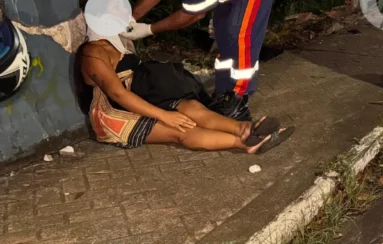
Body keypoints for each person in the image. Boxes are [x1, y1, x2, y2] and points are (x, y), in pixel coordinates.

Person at [121, 0, 282, 122]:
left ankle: (238, 100)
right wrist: (133, 17)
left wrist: (149, 29)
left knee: (239, 35)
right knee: (223, 36)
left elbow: (194, 14)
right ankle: (223, 94)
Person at [79, 30, 292, 153]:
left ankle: (246, 128)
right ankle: (246, 143)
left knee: (191, 106)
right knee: (179, 130)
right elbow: (118, 94)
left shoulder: (117, 39)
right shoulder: (92, 53)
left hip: (141, 94)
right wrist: (164, 115)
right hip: (115, 111)